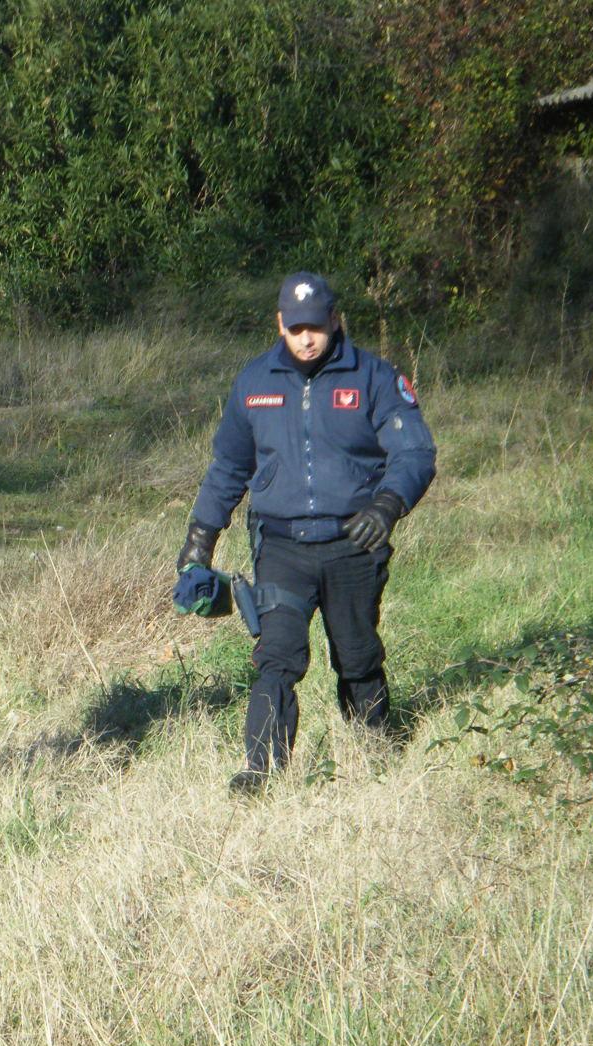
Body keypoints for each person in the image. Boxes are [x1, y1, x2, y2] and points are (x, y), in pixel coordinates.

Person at [180, 272, 436, 792]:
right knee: (277, 657)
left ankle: (374, 758)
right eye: (295, 327)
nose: (306, 337)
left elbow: (415, 452)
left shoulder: (374, 377)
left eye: (315, 326)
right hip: (281, 545)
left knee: (357, 655)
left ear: (335, 320)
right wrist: (200, 539)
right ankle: (262, 773)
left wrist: (387, 505)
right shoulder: (254, 384)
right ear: (280, 324)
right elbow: (228, 466)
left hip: (353, 544)